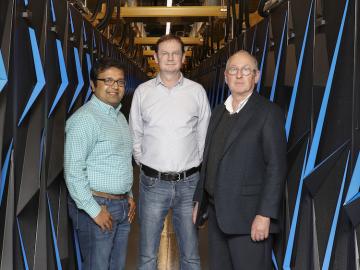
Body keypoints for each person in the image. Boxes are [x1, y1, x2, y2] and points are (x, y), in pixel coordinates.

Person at [192, 50, 287, 270]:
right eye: (233, 70)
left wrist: (265, 215)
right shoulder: (218, 112)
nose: (239, 75)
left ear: (257, 76)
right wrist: (200, 200)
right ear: (226, 76)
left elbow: (276, 167)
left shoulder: (268, 113)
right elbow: (209, 161)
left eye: (246, 70)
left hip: (250, 219)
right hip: (218, 216)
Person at [129, 34, 211, 270]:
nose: (170, 58)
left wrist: (198, 171)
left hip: (189, 183)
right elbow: (135, 133)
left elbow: (204, 136)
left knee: (191, 253)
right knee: (147, 253)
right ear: (155, 58)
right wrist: (145, 164)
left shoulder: (196, 92)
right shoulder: (143, 92)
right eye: (164, 53)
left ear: (183, 57)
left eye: (176, 53)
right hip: (153, 183)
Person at [64, 58, 136, 270]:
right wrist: (94, 210)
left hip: (121, 206)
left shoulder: (119, 117)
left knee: (116, 266)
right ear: (93, 85)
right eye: (108, 80)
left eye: (120, 82)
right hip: (98, 206)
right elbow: (73, 170)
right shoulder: (85, 119)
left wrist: (129, 196)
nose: (115, 87)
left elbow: (121, 160)